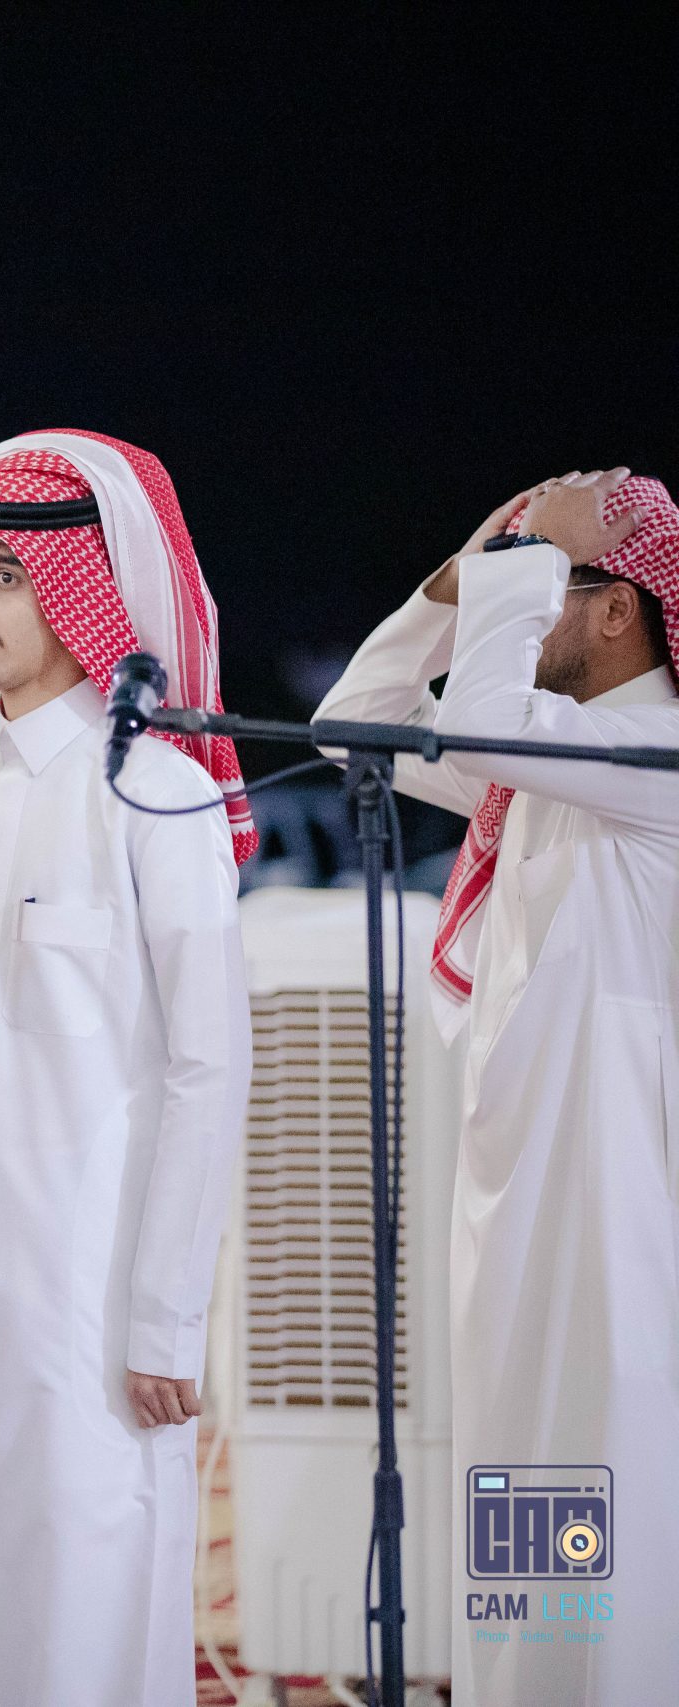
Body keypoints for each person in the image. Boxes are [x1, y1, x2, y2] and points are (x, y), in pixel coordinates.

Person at [0, 432, 253, 1706]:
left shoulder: (160, 792)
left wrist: (165, 1314)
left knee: (84, 1581)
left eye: (5, 577)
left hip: (92, 1285)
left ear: (87, 593)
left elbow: (207, 1068)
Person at [315, 468, 679, 1706]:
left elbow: (472, 725)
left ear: (618, 610)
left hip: (612, 1179)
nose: (507, 616)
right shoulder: (545, 760)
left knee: (601, 1450)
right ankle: (521, 1685)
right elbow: (356, 722)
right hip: (515, 1175)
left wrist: (518, 562)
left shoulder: (650, 750)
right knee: (521, 1453)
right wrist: (457, 576)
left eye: (548, 588)